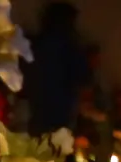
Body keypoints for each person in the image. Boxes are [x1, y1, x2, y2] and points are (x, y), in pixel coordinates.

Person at [25, 2, 91, 132]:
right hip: (60, 112)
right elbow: (84, 79)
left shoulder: (34, 44)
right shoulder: (72, 47)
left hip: (36, 110)